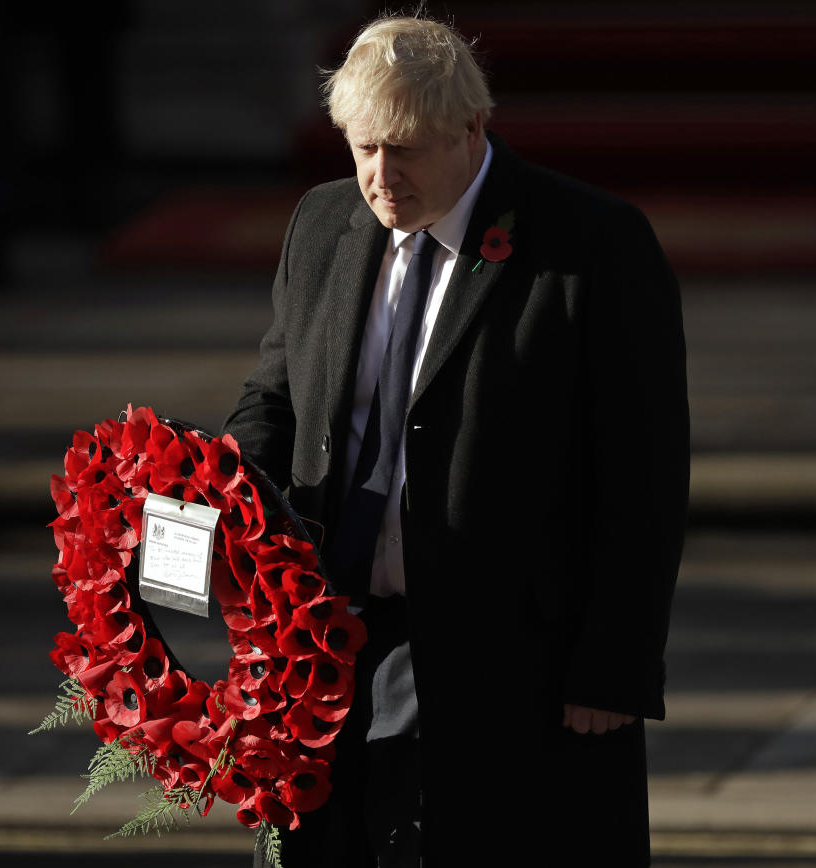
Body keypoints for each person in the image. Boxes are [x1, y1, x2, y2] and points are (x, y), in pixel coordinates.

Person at [224, 14, 688, 867]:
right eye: (363, 147)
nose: (380, 174)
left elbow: (644, 476)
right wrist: (223, 491)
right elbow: (276, 394)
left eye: (405, 149)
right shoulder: (323, 224)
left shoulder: (591, 244)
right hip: (330, 644)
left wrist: (614, 664)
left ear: (473, 128)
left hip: (511, 659)